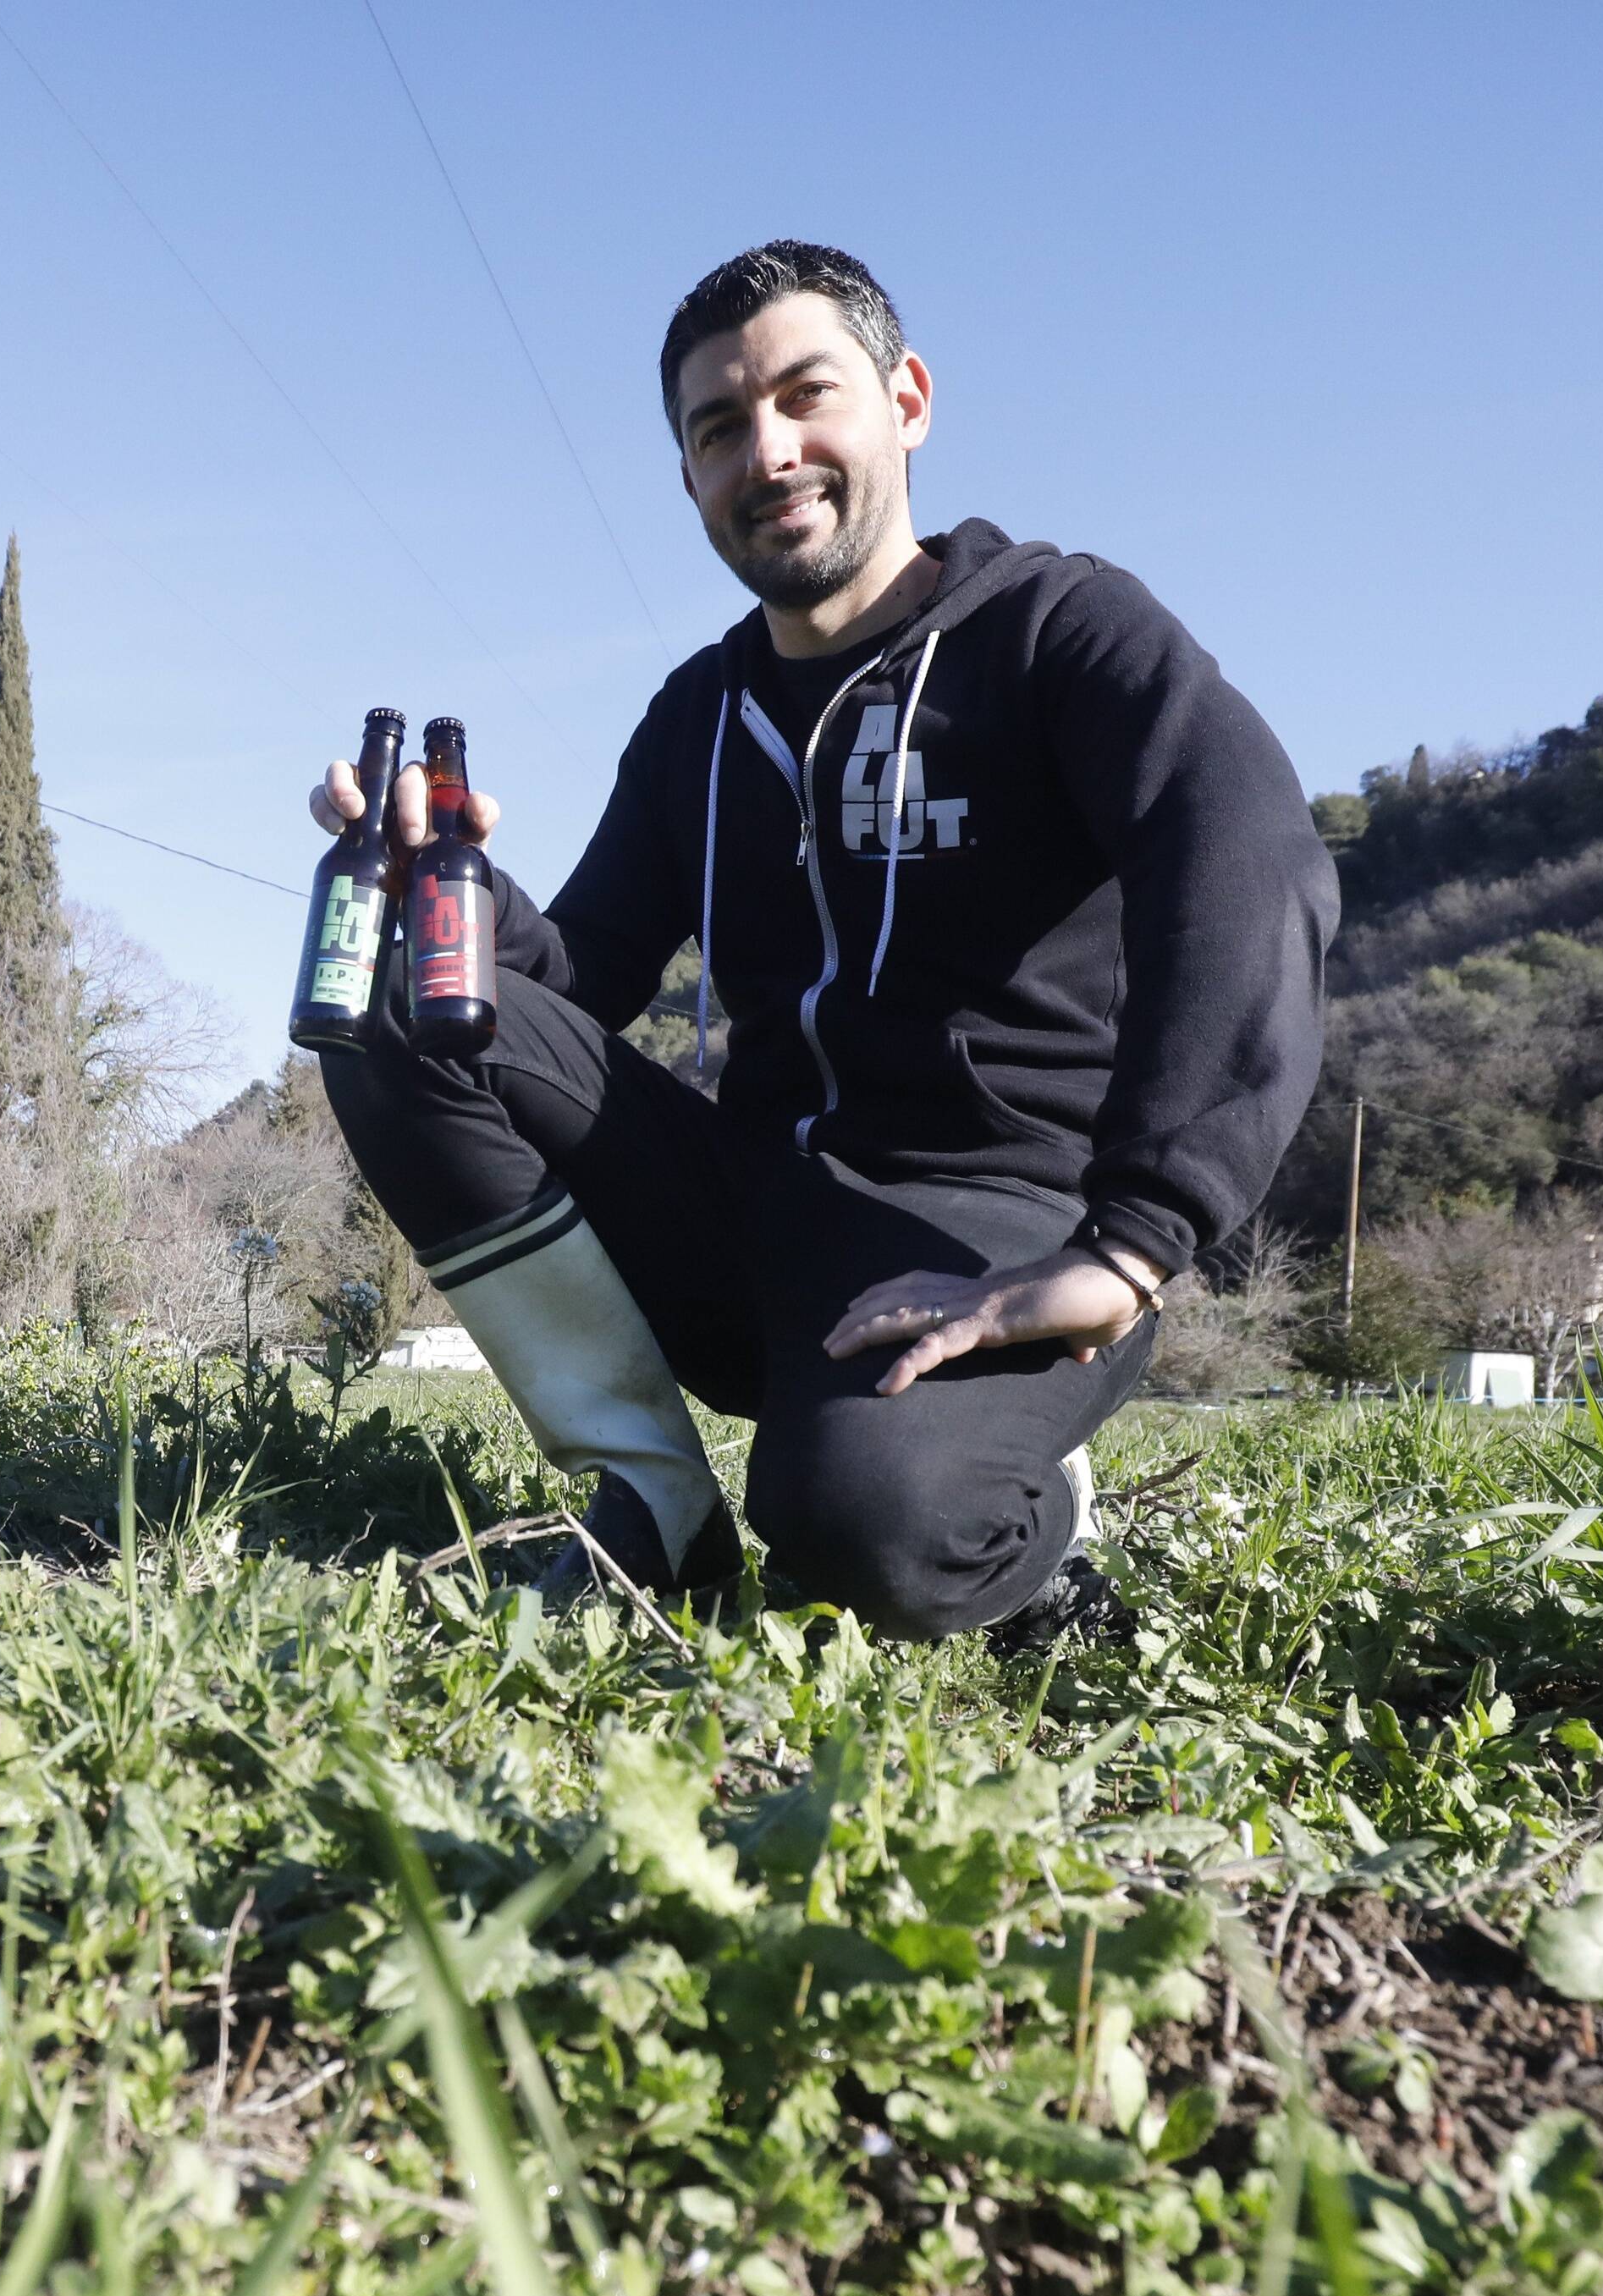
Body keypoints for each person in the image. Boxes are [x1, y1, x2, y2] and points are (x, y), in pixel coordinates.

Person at [311, 239, 1333, 1639]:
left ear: (907, 401)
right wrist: (453, 898)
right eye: (720, 428)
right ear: (689, 477)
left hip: (992, 1234)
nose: (770, 452)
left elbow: (1247, 867)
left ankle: (1022, 1493)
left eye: (807, 396)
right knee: (405, 995)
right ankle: (652, 1506)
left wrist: (1134, 1242)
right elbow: (577, 981)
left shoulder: (1059, 631)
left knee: (865, 1528)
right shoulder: (698, 717)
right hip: (752, 1216)